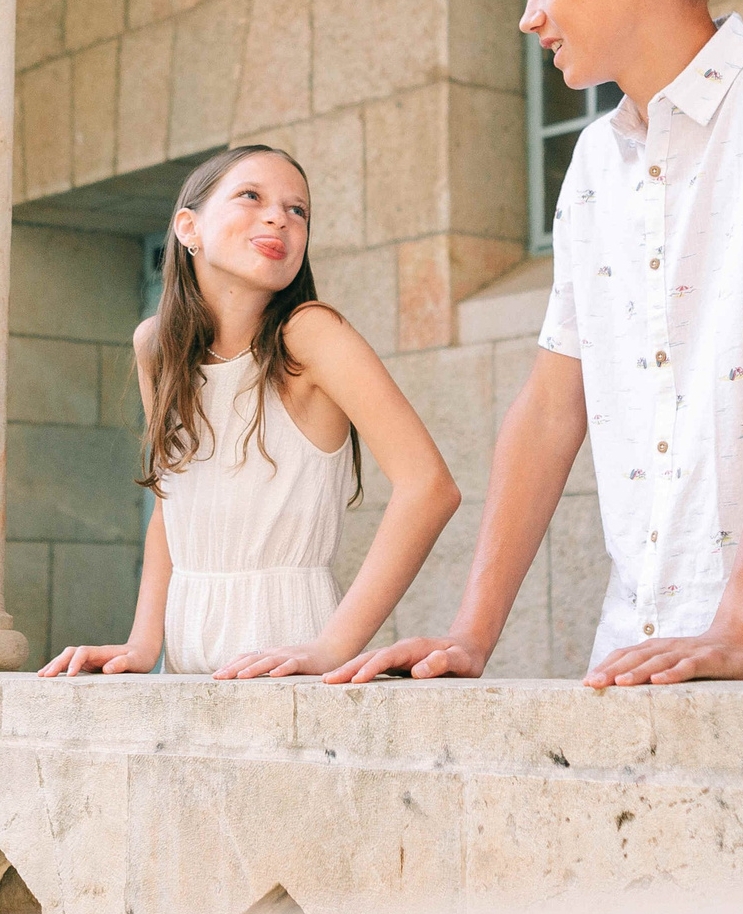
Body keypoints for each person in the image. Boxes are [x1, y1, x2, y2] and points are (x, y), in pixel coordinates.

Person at [332, 0, 743, 687]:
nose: (528, 17)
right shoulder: (596, 163)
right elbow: (548, 407)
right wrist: (469, 637)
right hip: (630, 651)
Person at [40, 145, 461, 679]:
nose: (278, 217)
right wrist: (142, 645)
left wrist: (333, 647)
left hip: (290, 654)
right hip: (186, 660)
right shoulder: (156, 346)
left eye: (298, 210)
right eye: (251, 196)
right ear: (188, 228)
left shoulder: (309, 335)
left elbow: (430, 485)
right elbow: (173, 503)